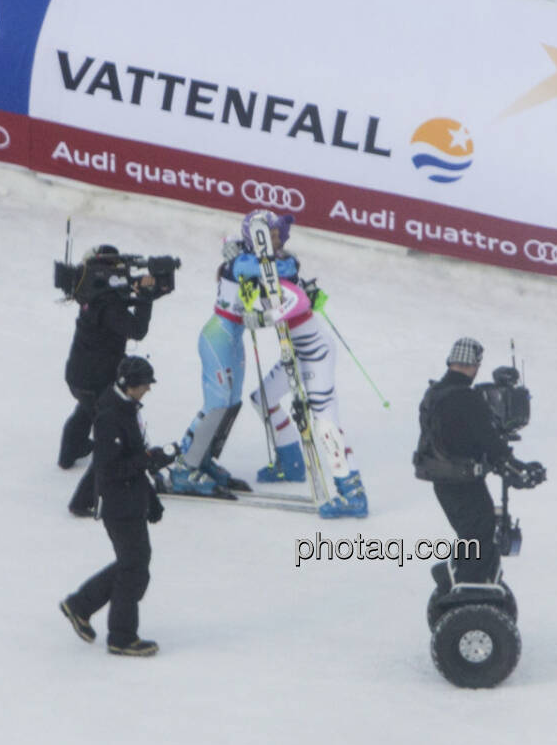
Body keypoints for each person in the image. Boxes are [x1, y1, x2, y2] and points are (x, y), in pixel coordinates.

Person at [168, 210, 367, 517]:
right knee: (224, 403)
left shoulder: (275, 270)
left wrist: (266, 308)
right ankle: (187, 464)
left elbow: (284, 280)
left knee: (235, 403)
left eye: (277, 235)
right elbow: (257, 268)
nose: (277, 241)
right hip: (220, 337)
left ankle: (344, 487)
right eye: (270, 235)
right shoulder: (250, 265)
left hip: (289, 349)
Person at [59, 355, 177, 657]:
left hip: (131, 500)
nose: (148, 390)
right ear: (129, 385)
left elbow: (132, 461)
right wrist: (149, 460)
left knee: (135, 565)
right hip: (118, 505)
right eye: (145, 385)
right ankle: (121, 636)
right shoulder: (111, 416)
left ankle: (81, 605)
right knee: (133, 566)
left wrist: (150, 498)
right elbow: (110, 469)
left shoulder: (124, 408)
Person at [414, 337, 545, 583]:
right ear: (475, 365)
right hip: (463, 482)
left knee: (470, 535)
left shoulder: (433, 393)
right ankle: (469, 592)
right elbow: (491, 444)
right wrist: (519, 470)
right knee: (481, 536)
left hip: (442, 482)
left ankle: (456, 579)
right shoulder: (468, 399)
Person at [59, 245, 156, 517]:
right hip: (96, 380)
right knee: (107, 440)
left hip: (78, 375)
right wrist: (146, 298)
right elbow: (136, 330)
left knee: (85, 410)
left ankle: (69, 452)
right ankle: (82, 500)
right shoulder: (110, 306)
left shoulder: (92, 295)